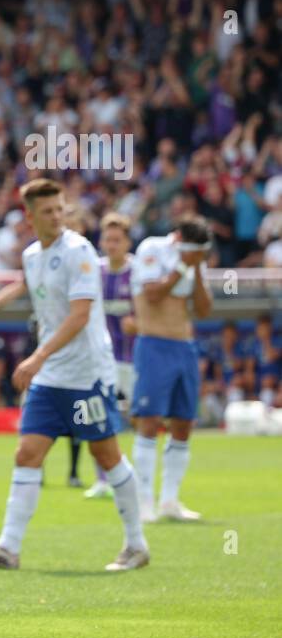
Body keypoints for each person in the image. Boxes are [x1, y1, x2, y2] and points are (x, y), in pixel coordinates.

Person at [0, 179, 148, 572]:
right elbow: (23, 285)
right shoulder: (32, 255)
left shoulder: (79, 251)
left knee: (107, 455)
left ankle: (136, 545)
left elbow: (80, 316)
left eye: (60, 209)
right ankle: (8, 548)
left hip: (87, 373)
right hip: (51, 374)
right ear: (29, 216)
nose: (57, 217)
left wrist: (37, 357)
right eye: (47, 211)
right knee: (27, 453)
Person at [130, 215, 215, 522]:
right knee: (149, 421)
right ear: (179, 239)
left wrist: (196, 268)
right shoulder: (152, 248)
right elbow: (152, 295)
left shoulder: (196, 261)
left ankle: (170, 501)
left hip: (185, 347)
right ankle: (143, 502)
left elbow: (204, 310)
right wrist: (182, 266)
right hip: (153, 343)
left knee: (183, 423)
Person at [83, 213, 138, 500]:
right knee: (98, 416)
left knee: (140, 418)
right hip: (102, 359)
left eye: (118, 239)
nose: (112, 245)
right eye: (108, 239)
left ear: (128, 241)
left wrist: (138, 324)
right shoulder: (94, 270)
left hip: (135, 359)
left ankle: (137, 476)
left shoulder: (139, 271)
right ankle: (102, 480)